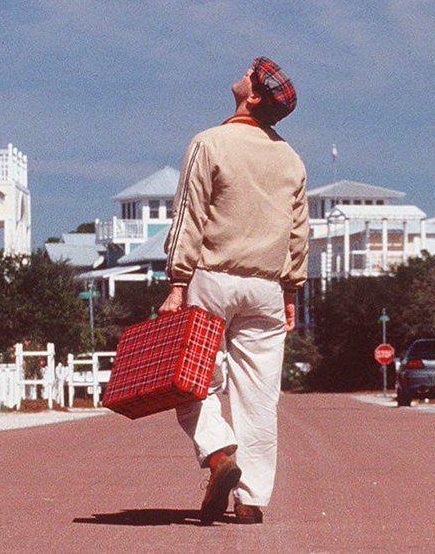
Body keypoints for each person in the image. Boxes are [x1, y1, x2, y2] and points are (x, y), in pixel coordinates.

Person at [159, 56, 307, 525]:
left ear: (254, 95)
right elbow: (299, 232)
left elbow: (189, 216)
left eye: (251, 73)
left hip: (212, 280)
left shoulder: (210, 143)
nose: (242, 73)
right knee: (260, 396)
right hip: (266, 287)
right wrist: (291, 291)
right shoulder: (291, 159)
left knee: (189, 378)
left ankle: (219, 453)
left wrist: (177, 283)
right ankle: (251, 499)